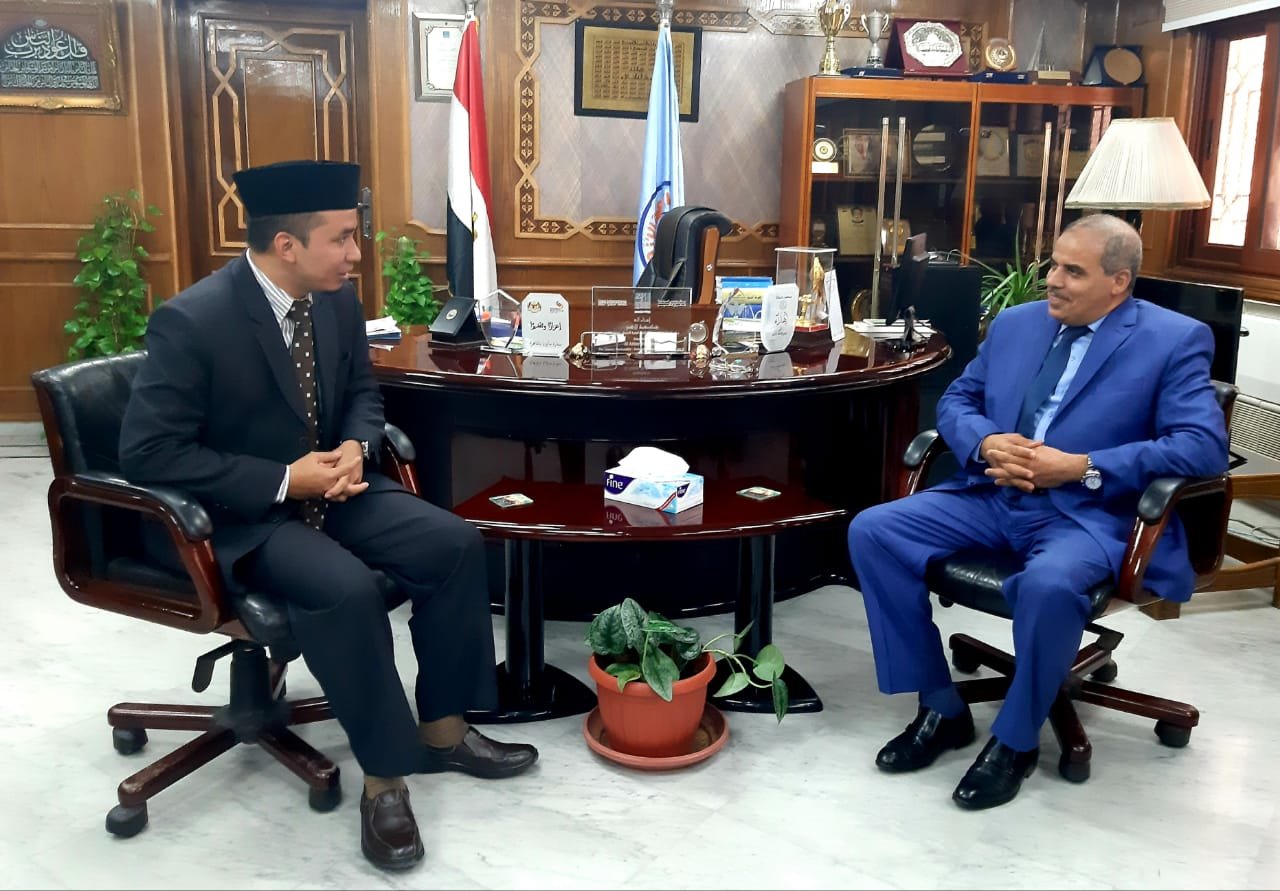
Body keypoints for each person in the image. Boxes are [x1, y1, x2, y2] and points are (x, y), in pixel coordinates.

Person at [119, 159, 536, 870]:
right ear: (287, 245)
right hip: (241, 518)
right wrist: (284, 479)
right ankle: (385, 779)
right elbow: (148, 452)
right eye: (342, 238)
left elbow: (362, 394)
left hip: (334, 491)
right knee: (345, 588)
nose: (354, 253)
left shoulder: (335, 301)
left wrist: (355, 446)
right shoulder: (194, 320)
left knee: (453, 542)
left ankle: (443, 729)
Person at [847, 213, 1228, 810]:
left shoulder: (1173, 339)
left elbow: (1202, 447)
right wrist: (984, 442)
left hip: (1087, 511)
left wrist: (1080, 466)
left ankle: (1016, 739)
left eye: (1073, 271)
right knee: (875, 530)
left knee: (1049, 585)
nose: (1053, 279)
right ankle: (941, 706)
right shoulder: (1017, 323)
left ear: (1118, 282)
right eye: (1053, 264)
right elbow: (959, 397)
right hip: (993, 495)